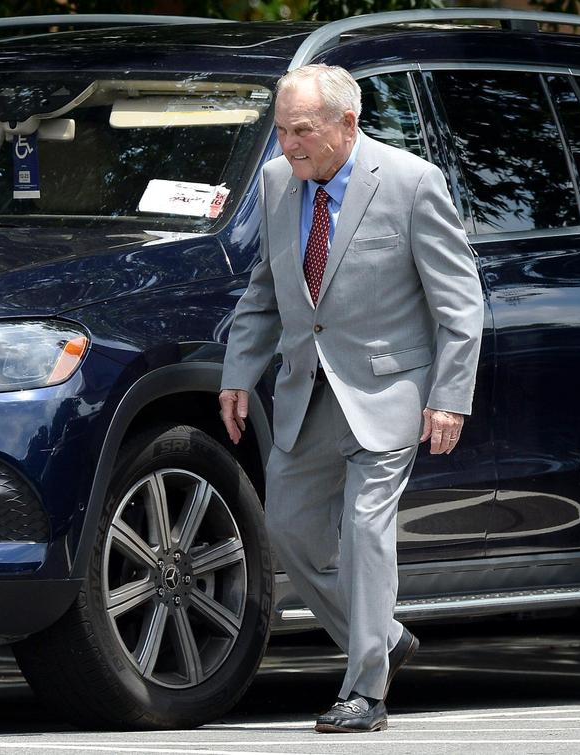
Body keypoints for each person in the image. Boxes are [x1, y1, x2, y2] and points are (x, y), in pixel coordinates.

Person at [219, 63, 483, 733]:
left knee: (366, 530)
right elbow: (263, 293)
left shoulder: (410, 183)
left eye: (302, 130)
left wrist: (449, 395)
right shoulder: (279, 184)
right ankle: (385, 638)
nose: (288, 145)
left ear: (347, 123)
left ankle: (366, 687)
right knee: (288, 529)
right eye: (280, 130)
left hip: (389, 386)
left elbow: (459, 302)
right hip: (307, 390)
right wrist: (236, 374)